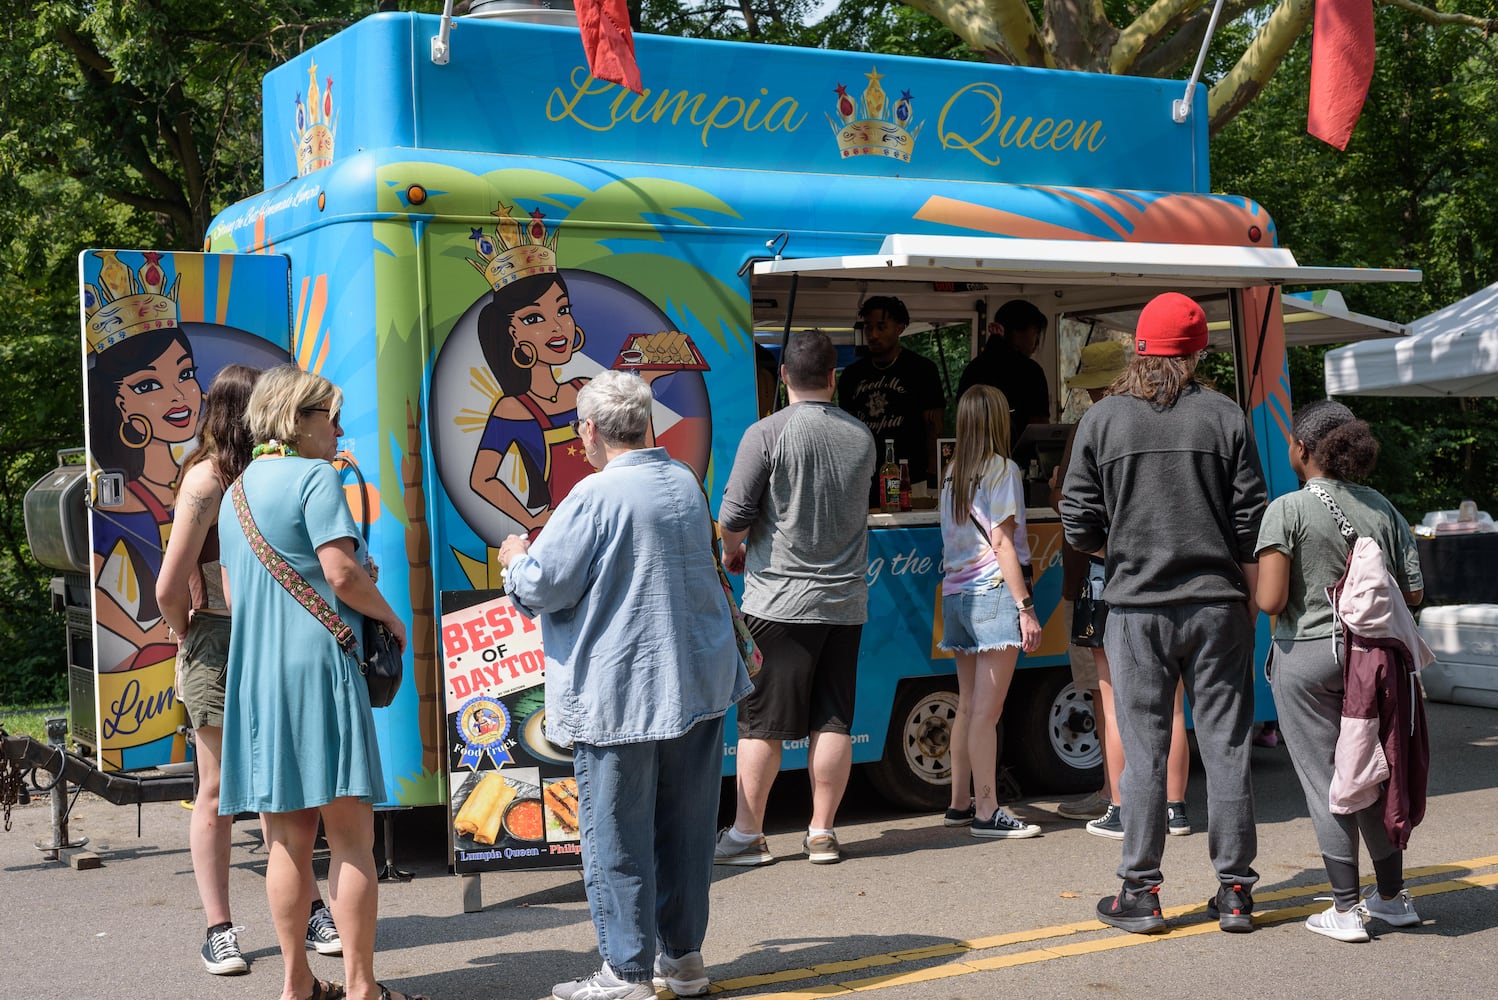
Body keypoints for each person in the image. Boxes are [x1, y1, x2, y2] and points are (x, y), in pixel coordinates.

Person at [497, 370, 753, 1000]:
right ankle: (683, 959)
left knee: (616, 832)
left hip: (622, 690)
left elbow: (542, 586)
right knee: (688, 829)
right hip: (696, 678)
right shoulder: (684, 482)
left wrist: (511, 559)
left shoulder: (595, 496)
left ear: (588, 431)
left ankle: (626, 972)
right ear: (646, 421)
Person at [1060, 292, 1266, 935]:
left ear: (1138, 349)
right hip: (1218, 603)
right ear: (1198, 349)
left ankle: (1140, 893)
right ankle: (1235, 891)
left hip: (1135, 608)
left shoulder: (1105, 421)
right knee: (1227, 743)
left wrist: (1119, 549)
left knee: (1144, 745)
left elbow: (1075, 520)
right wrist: (1253, 606)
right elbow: (1251, 521)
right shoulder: (1226, 417)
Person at [217, 365, 421, 1000]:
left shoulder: (236, 492)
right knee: (352, 838)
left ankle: (297, 985)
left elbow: (232, 593)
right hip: (321, 670)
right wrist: (389, 615)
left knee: (286, 840)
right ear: (296, 421)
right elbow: (340, 573)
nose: (337, 430)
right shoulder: (316, 478)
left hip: (259, 677)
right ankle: (361, 988)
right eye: (328, 417)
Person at [156, 365, 343, 976]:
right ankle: (219, 927)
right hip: (217, 638)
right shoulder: (207, 478)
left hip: (271, 637)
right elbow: (167, 585)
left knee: (280, 784)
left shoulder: (264, 473)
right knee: (216, 789)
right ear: (243, 410)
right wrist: (189, 635)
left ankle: (310, 907)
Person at [1254, 400, 1426, 942]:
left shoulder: (1287, 509)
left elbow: (1271, 598)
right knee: (1374, 768)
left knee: (1326, 778)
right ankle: (1393, 899)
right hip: (1374, 661)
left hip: (1306, 658)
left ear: (1304, 449)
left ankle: (1346, 909)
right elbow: (1415, 591)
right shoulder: (1382, 507)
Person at [716, 329, 877, 866]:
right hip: (845, 603)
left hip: (777, 603)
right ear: (835, 377)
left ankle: (746, 834)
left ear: (783, 376)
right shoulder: (862, 436)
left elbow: (734, 516)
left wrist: (734, 552)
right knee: (832, 720)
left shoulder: (765, 433)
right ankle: (822, 833)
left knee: (761, 724)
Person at [938, 386, 1043, 839]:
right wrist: (1026, 607)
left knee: (968, 706)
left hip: (956, 595)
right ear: (1000, 420)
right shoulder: (1003, 470)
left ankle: (959, 802)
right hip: (994, 594)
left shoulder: (952, 471)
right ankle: (988, 812)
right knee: (986, 712)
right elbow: (1001, 543)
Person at [88, 317, 202, 671]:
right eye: (149, 384)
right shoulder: (125, 509)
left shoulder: (206, 477)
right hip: (165, 675)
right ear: (119, 404)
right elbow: (113, 624)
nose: (179, 395)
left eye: (185, 374)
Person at [837, 295, 945, 487]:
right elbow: (844, 431)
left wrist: (933, 474)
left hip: (912, 476)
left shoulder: (922, 369)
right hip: (864, 478)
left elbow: (934, 426)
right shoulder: (851, 375)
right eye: (868, 327)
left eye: (881, 326)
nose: (872, 335)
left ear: (899, 328)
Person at [956, 299, 1050, 447]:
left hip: (976, 455)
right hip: (1019, 460)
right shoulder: (1031, 371)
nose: (1036, 342)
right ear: (1018, 333)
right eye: (1035, 333)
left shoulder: (974, 368)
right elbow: (1040, 428)